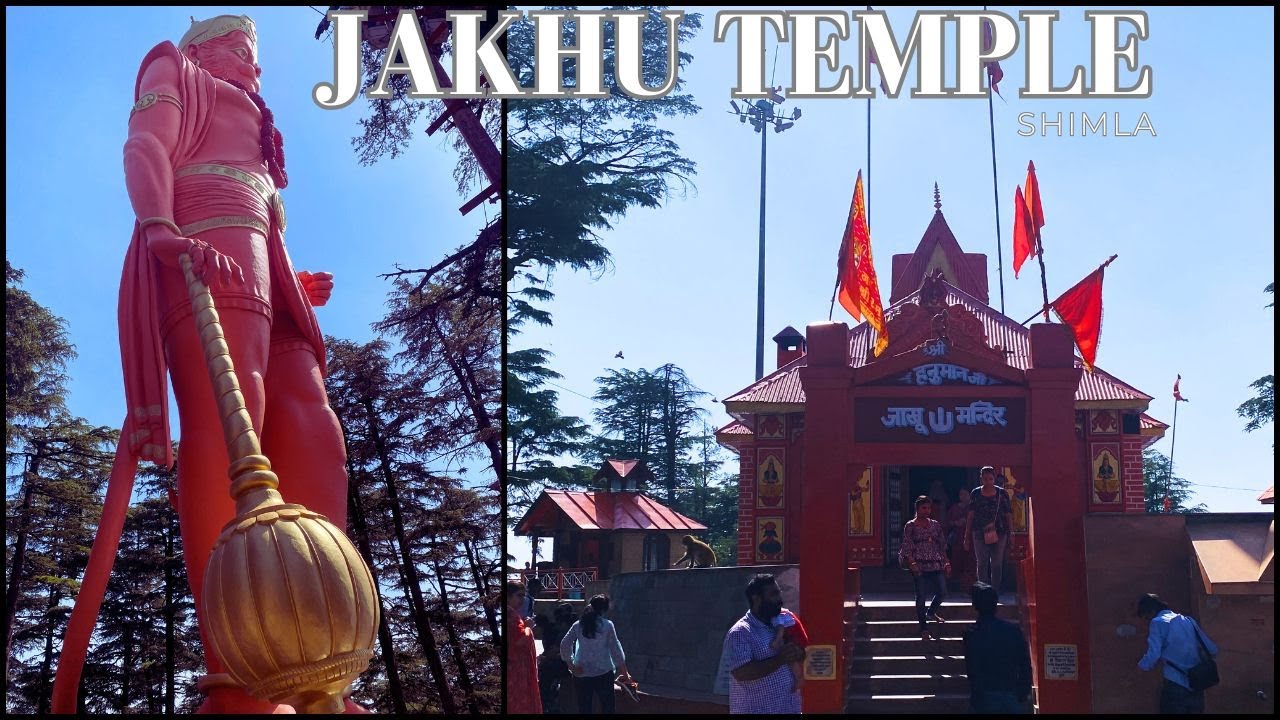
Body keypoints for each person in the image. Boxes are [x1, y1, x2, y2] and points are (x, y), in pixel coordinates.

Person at [55, 16, 353, 714]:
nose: (254, 67)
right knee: (231, 414)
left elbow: (263, 214)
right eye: (241, 53)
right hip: (205, 241)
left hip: (265, 266)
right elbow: (145, 145)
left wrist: (293, 278)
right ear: (203, 50)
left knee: (313, 427)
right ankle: (240, 675)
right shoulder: (175, 70)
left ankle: (322, 667)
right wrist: (161, 225)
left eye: (256, 57)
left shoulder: (259, 133)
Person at [722, 574, 806, 714]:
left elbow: (800, 651)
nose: (779, 600)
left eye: (779, 593)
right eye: (773, 594)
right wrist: (780, 658)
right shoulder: (741, 632)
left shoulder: (781, 623)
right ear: (756, 599)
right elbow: (741, 673)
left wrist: (798, 653)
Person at [1136, 593, 1219, 714]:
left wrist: (1141, 667)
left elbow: (1153, 654)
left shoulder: (1157, 622)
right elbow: (1212, 649)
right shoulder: (1188, 621)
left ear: (1151, 611)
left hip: (1174, 684)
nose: (1147, 622)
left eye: (1146, 617)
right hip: (1197, 684)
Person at [963, 582, 1032, 713]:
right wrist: (1022, 692)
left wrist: (977, 697)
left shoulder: (972, 634)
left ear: (975, 606)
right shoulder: (1013, 630)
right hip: (1010, 693)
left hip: (985, 697)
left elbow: (972, 670)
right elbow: (1025, 664)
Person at [560, 595, 635, 714]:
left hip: (581, 672)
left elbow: (564, 644)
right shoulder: (607, 625)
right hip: (603, 672)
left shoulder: (578, 625)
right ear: (604, 609)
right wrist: (625, 674)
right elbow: (616, 651)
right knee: (607, 708)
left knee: (584, 708)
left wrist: (572, 666)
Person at [899, 495, 951, 640]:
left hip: (935, 562)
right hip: (919, 564)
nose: (927, 510)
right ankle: (924, 628)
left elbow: (942, 544)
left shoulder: (935, 525)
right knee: (921, 596)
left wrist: (946, 562)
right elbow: (907, 545)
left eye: (929, 508)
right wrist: (912, 563)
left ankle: (931, 612)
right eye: (924, 508)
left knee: (942, 591)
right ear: (917, 508)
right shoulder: (910, 525)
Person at [963, 466, 1014, 592]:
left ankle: (994, 591)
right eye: (985, 479)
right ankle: (983, 592)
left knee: (996, 563)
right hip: (979, 531)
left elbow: (1008, 514)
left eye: (990, 479)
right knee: (982, 563)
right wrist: (967, 536)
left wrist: (1011, 532)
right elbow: (971, 515)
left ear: (994, 479)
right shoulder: (975, 493)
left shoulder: (1002, 493)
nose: (988, 482)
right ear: (981, 479)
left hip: (999, 531)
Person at [506, 582, 543, 715]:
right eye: (519, 595)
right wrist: (528, 627)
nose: (522, 599)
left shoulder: (513, 613)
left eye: (523, 596)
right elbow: (520, 641)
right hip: (517, 668)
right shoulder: (511, 615)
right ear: (508, 597)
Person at [537, 602, 576, 713]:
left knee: (546, 670)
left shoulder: (568, 629)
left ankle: (546, 702)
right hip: (565, 661)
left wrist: (545, 659)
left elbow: (558, 649)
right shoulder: (564, 628)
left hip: (567, 664)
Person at [769, 606, 810, 692]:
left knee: (791, 659)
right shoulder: (784, 612)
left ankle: (799, 678)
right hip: (795, 639)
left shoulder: (779, 615)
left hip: (796, 640)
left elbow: (780, 631)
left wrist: (776, 642)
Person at [946, 486, 975, 587]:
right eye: (961, 494)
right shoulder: (954, 508)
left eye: (965, 494)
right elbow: (947, 522)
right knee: (957, 559)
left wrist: (968, 522)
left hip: (971, 537)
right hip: (957, 537)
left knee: (970, 560)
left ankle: (970, 583)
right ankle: (956, 583)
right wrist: (956, 523)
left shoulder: (973, 507)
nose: (962, 496)